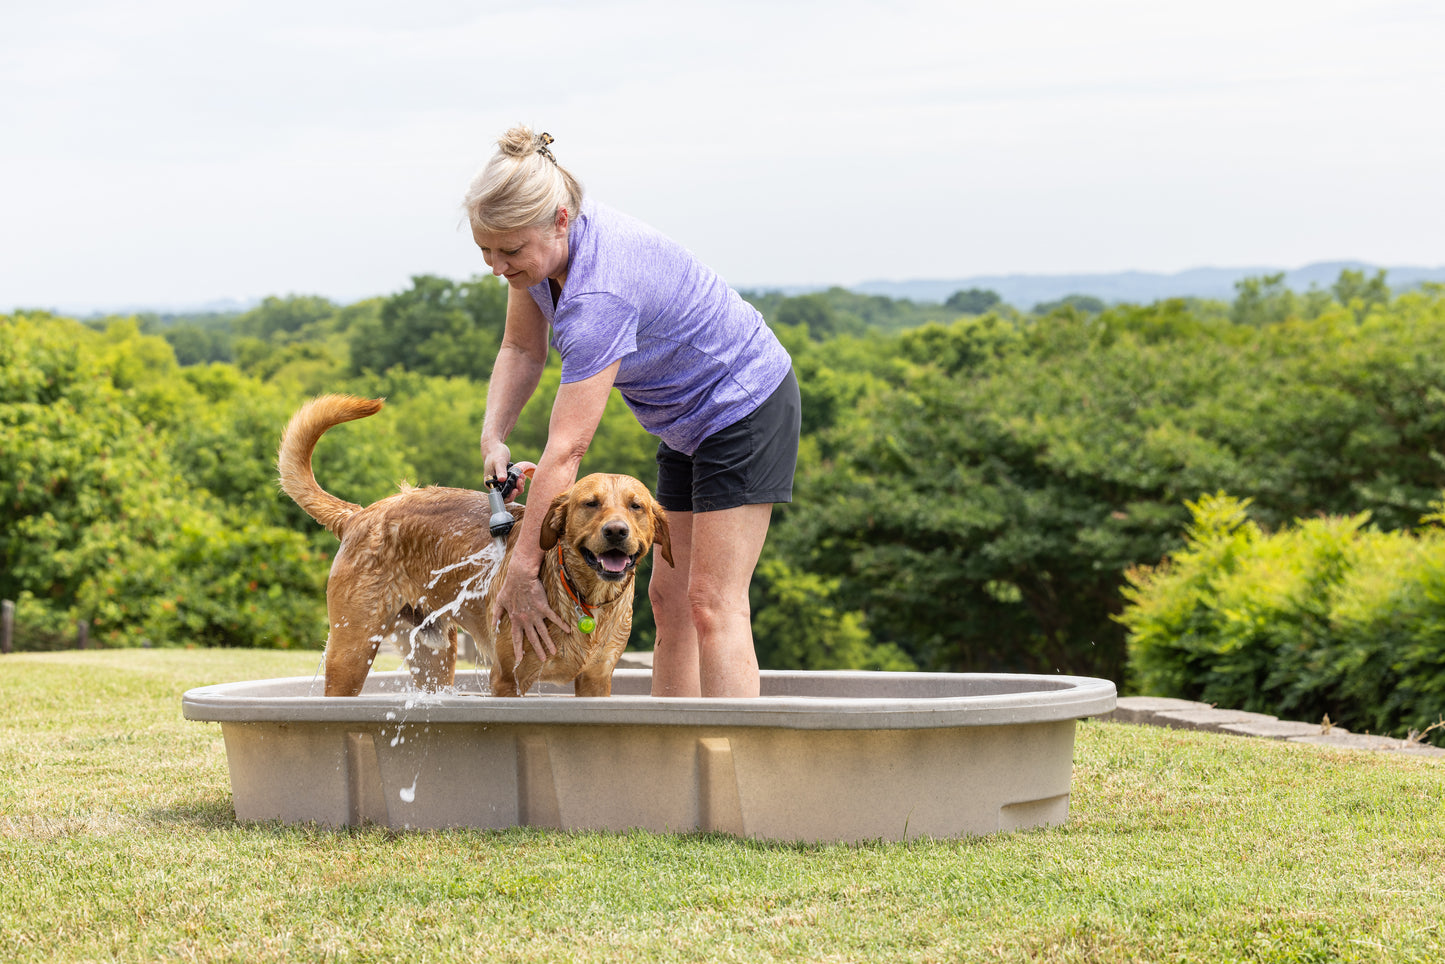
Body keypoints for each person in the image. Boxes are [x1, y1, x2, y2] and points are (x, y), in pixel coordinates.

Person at [464, 126, 800, 699]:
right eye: (486, 251)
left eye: (510, 251)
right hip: (684, 422)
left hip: (743, 406)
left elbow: (568, 450)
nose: (497, 266)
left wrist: (523, 569)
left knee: (714, 603)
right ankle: (673, 764)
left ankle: (733, 771)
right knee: (668, 602)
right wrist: (495, 435)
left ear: (561, 220)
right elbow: (521, 349)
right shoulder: (539, 257)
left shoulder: (600, 297)